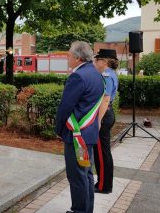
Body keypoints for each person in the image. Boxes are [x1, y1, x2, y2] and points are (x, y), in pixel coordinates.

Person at [55, 41, 105, 213]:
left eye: (69, 55)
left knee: (77, 175)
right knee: (86, 173)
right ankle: (86, 209)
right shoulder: (96, 74)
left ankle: (80, 210)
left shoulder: (78, 76)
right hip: (88, 133)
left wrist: (58, 129)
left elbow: (65, 107)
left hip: (77, 136)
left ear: (77, 58)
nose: (67, 58)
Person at [93, 49, 119, 194]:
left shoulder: (107, 75)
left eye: (97, 60)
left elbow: (105, 98)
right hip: (107, 114)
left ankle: (103, 186)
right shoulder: (109, 74)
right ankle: (103, 183)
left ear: (104, 61)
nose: (95, 62)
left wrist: (98, 120)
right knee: (102, 152)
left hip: (104, 115)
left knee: (102, 153)